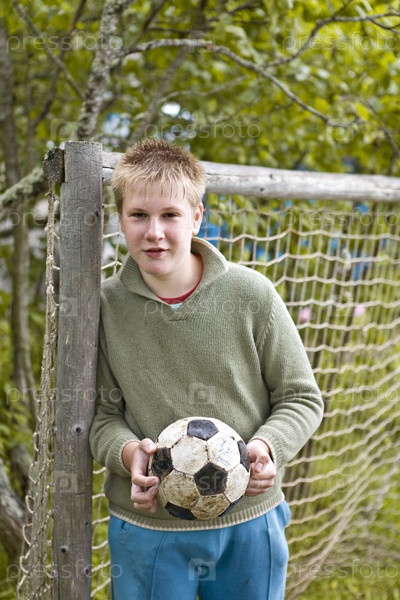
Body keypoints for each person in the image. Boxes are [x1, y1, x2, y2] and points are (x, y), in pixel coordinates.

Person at [89, 138, 324, 600]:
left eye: (170, 215)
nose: (154, 232)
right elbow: (100, 417)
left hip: (250, 521)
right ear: (119, 219)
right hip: (148, 528)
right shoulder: (103, 307)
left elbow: (301, 397)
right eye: (138, 215)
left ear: (196, 217)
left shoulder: (251, 295)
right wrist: (129, 454)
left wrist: (267, 447)